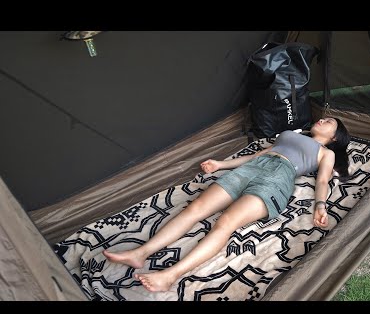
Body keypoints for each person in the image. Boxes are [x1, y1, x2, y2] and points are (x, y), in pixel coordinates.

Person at [103, 117, 351, 292]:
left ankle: (170, 276)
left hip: (279, 178)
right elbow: (257, 155)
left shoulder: (325, 153)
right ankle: (140, 253)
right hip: (252, 168)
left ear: (333, 138)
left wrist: (320, 205)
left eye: (330, 123)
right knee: (195, 209)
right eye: (324, 118)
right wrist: (221, 164)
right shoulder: (292, 134)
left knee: (225, 223)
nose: (323, 120)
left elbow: (322, 180)